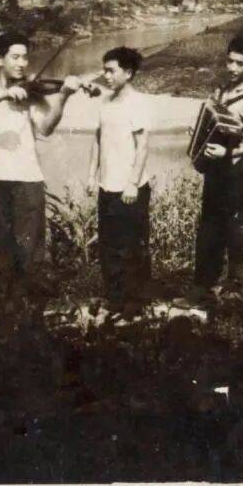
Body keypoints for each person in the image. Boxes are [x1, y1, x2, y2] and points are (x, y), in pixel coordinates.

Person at [0, 31, 83, 299]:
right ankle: (7, 304)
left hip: (28, 177)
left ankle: (29, 305)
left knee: (30, 250)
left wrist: (63, 97)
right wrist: (2, 97)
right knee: (2, 247)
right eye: (15, 57)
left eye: (25, 58)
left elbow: (46, 127)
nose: (22, 63)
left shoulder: (32, 93)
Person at [188, 34, 243, 304]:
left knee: (237, 238)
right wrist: (199, 134)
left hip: (239, 178)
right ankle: (203, 291)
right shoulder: (221, 93)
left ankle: (237, 297)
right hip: (216, 176)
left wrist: (228, 152)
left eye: (239, 63)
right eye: (229, 61)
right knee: (208, 233)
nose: (232, 68)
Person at [86, 47, 151, 316]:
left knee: (131, 248)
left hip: (130, 188)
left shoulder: (137, 103)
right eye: (104, 70)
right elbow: (97, 140)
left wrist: (132, 183)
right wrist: (91, 175)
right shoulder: (105, 103)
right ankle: (115, 301)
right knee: (108, 247)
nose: (106, 75)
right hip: (107, 186)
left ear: (128, 73)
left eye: (112, 71)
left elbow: (143, 146)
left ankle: (135, 306)